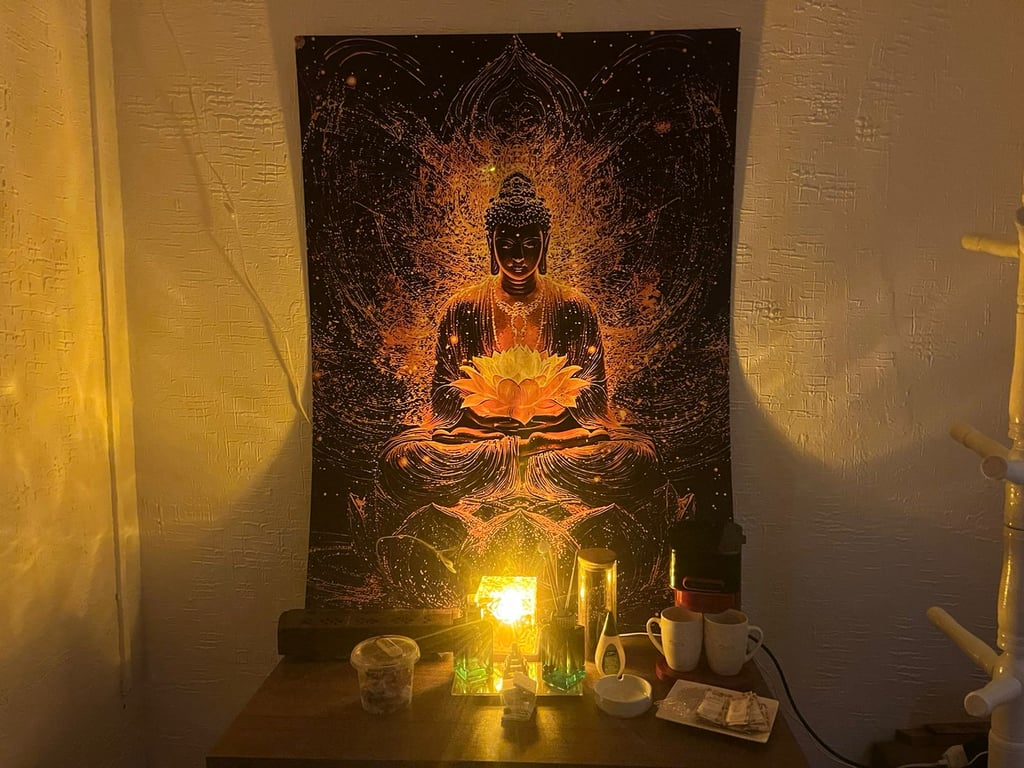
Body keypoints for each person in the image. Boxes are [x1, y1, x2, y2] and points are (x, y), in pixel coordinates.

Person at [378, 172, 663, 513]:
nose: (517, 256)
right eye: (506, 243)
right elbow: (442, 392)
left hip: (557, 436)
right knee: (403, 456)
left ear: (545, 242)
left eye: (529, 243)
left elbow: (595, 391)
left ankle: (519, 463)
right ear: (490, 243)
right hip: (482, 436)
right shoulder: (462, 307)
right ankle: (523, 464)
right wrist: (485, 415)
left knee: (637, 455)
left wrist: (549, 411)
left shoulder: (574, 306)